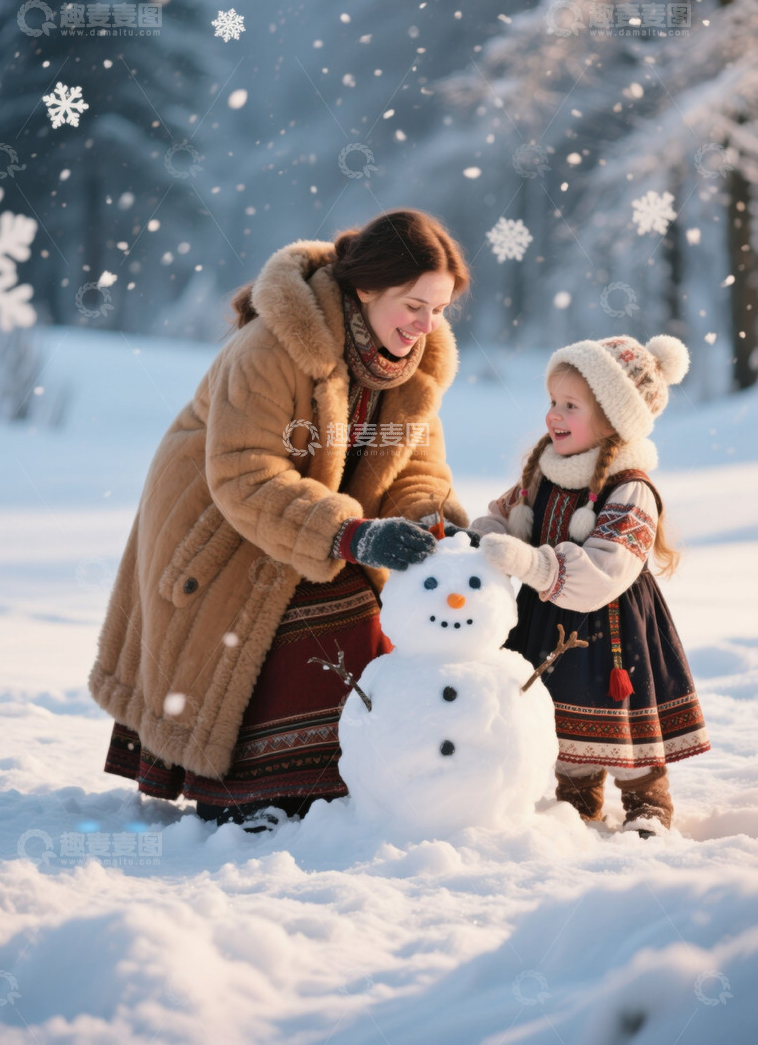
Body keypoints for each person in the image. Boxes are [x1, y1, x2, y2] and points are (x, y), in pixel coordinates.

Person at [89, 209, 471, 831]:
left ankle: (360, 783)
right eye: (413, 305)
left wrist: (431, 522)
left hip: (317, 525)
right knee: (331, 619)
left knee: (384, 619)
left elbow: (415, 470)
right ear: (367, 289)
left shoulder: (416, 370)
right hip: (220, 522)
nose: (426, 325)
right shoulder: (273, 344)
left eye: (439, 309)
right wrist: (349, 534)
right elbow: (245, 472)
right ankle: (259, 792)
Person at [473, 335, 710, 837]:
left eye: (570, 405)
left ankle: (646, 795)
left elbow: (607, 569)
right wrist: (476, 542)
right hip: (549, 617)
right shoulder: (545, 475)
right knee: (560, 706)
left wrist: (531, 565)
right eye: (552, 402)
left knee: (618, 710)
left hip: (613, 627)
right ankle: (576, 793)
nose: (553, 415)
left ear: (613, 419)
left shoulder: (631, 489)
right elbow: (501, 519)